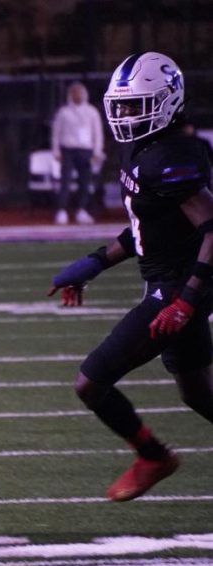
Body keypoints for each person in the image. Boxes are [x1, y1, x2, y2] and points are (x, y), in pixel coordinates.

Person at [48, 52, 213, 502]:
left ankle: (153, 456)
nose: (124, 115)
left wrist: (186, 300)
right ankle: (155, 457)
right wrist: (97, 262)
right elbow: (148, 223)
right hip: (172, 285)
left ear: (167, 101)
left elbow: (212, 228)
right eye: (120, 105)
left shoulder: (173, 156)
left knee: (90, 382)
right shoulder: (144, 148)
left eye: (136, 105)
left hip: (176, 290)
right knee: (199, 395)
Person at [51, 82, 105, 225]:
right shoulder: (63, 112)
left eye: (79, 92)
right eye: (74, 92)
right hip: (68, 150)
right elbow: (56, 133)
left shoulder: (92, 112)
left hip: (85, 151)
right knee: (65, 181)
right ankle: (62, 211)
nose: (77, 95)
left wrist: (97, 151)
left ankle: (81, 210)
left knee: (85, 182)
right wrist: (56, 150)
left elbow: (97, 133)